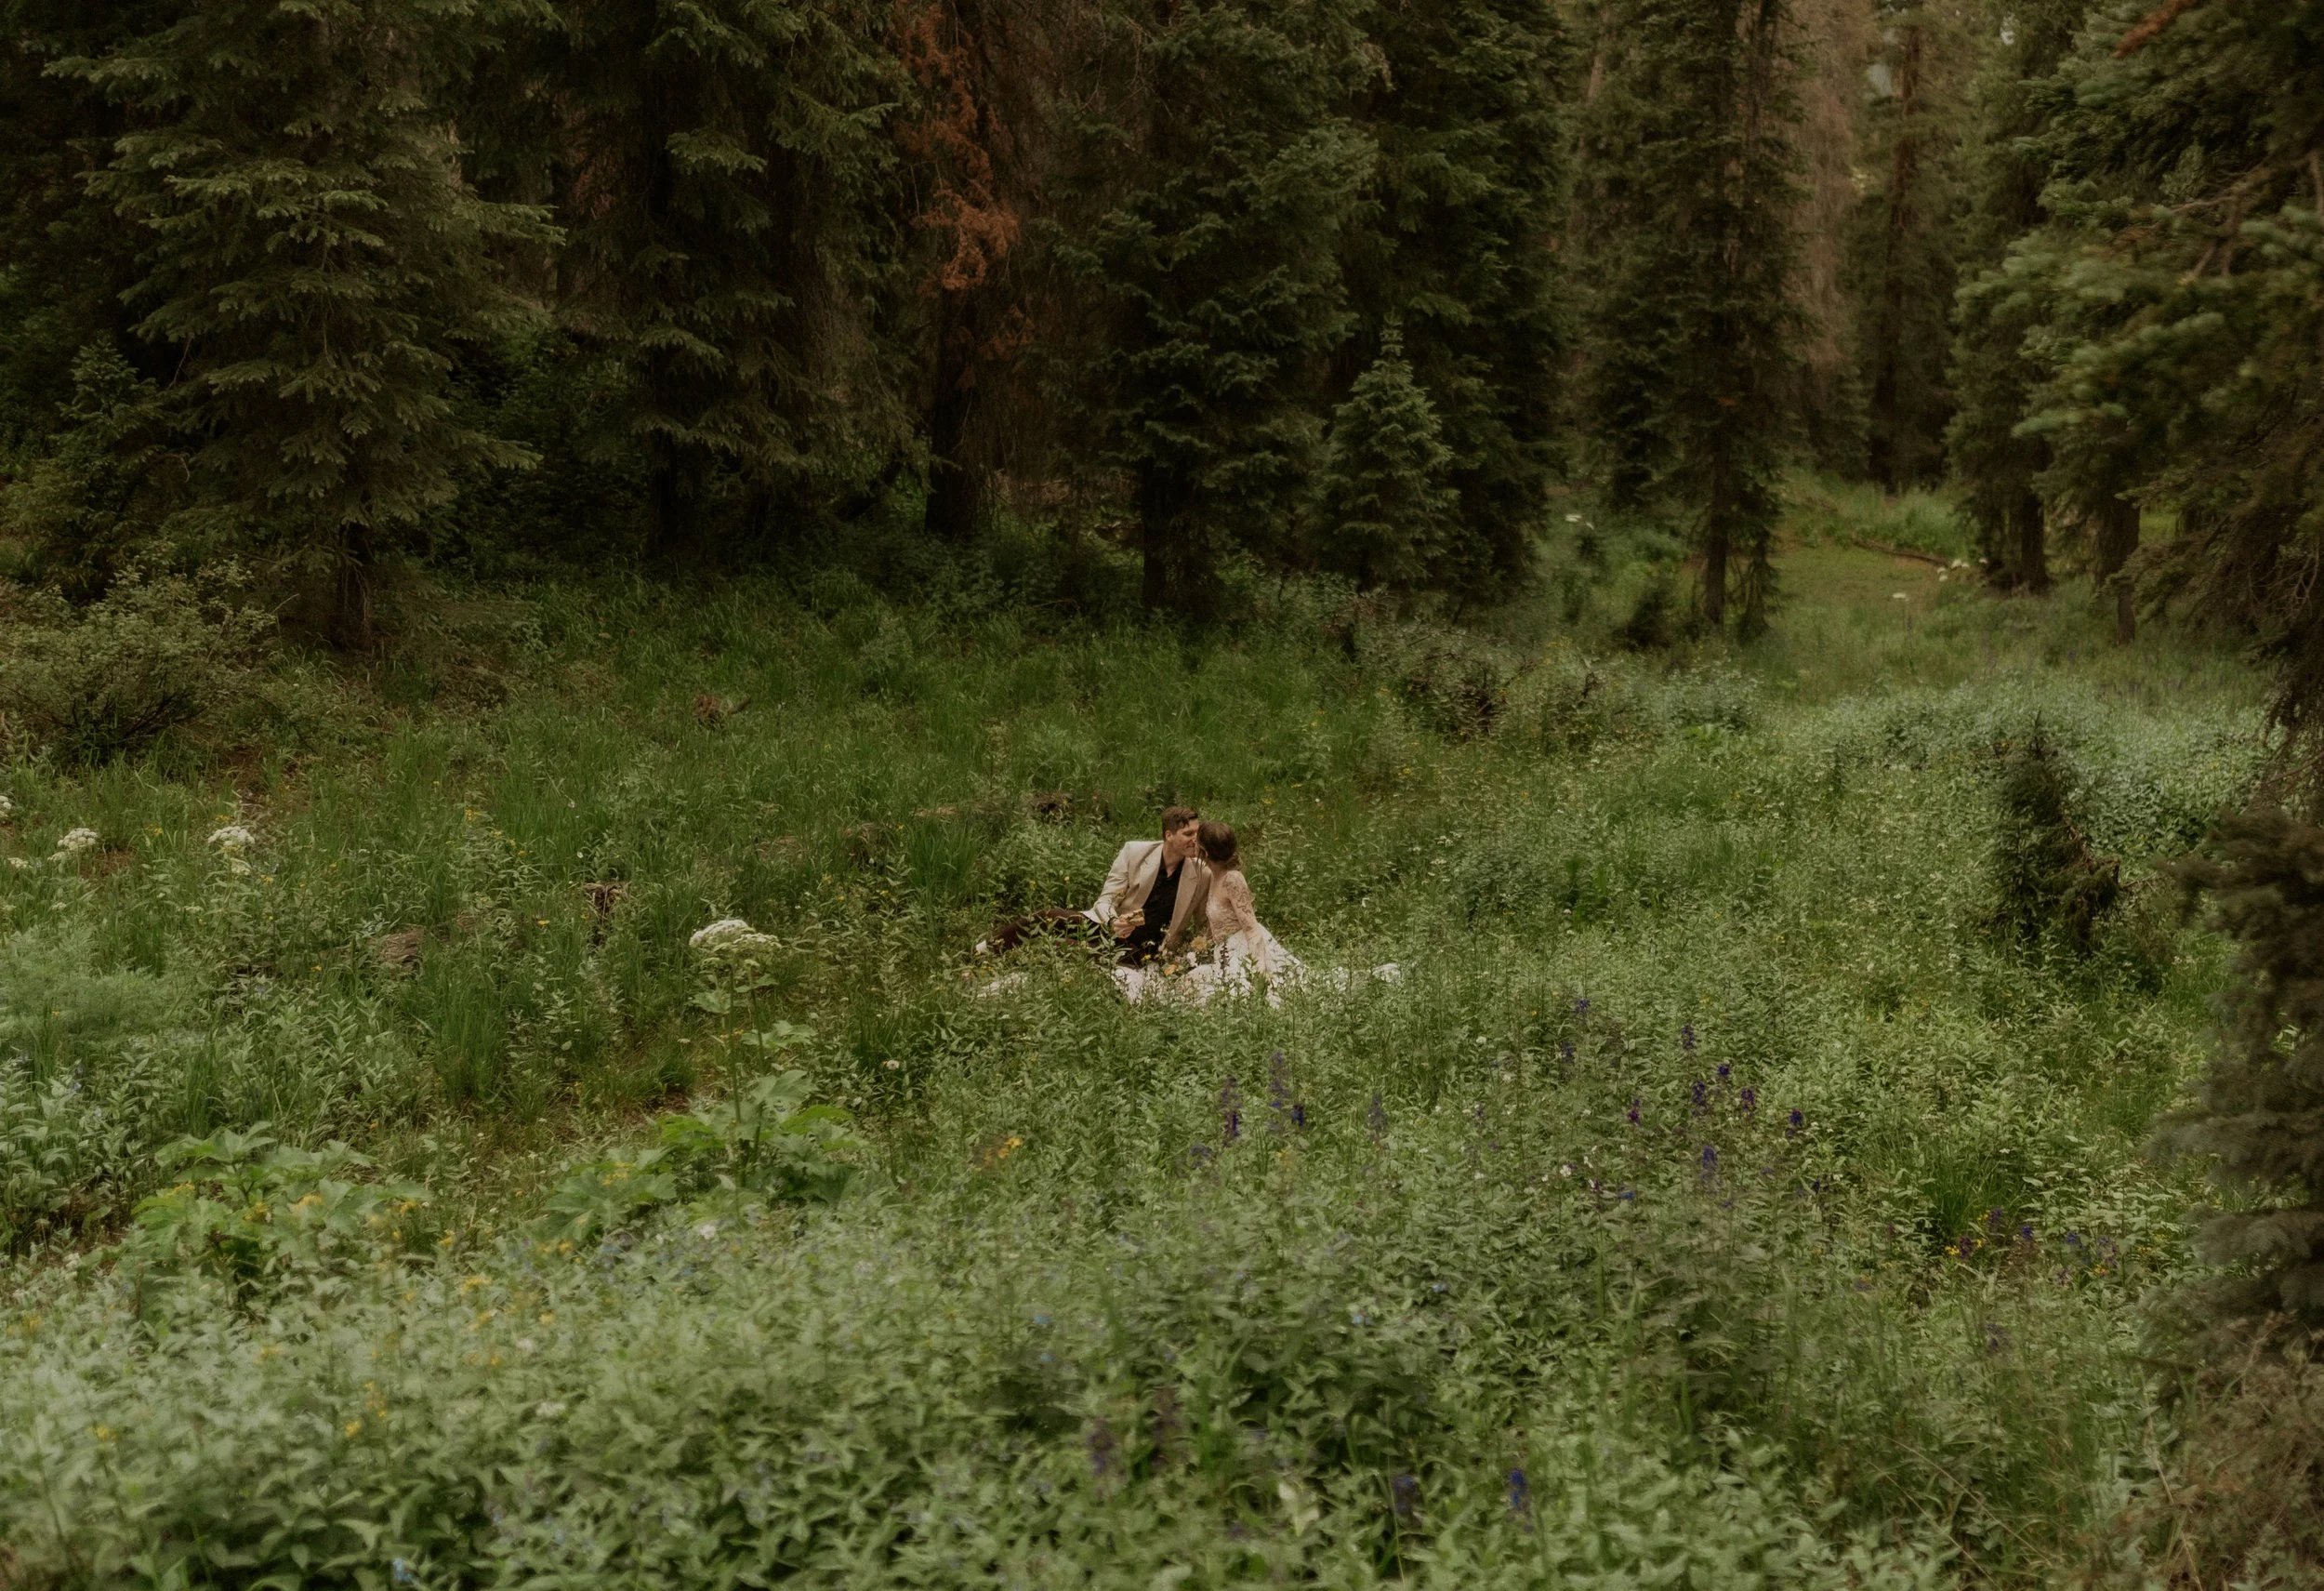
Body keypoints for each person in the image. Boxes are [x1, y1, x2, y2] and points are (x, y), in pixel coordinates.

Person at [979, 806, 1211, 965]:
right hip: (1110, 927)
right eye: (1188, 833)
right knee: (1048, 917)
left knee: (1066, 947)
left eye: (1197, 833)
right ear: (1169, 835)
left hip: (1144, 949)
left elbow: (1203, 922)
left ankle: (1017, 964)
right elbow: (1107, 899)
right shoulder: (1135, 852)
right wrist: (1113, 922)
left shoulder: (1202, 873)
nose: (1195, 839)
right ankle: (982, 953)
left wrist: (1193, 953)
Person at [1117, 819, 1303, 1004]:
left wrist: (1259, 974)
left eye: (1196, 841)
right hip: (1223, 951)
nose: (1192, 844)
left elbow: (1252, 930)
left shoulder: (1232, 879)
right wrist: (1188, 954)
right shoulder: (1212, 875)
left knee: (1222, 998)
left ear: (1204, 852)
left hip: (1243, 951)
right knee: (1184, 986)